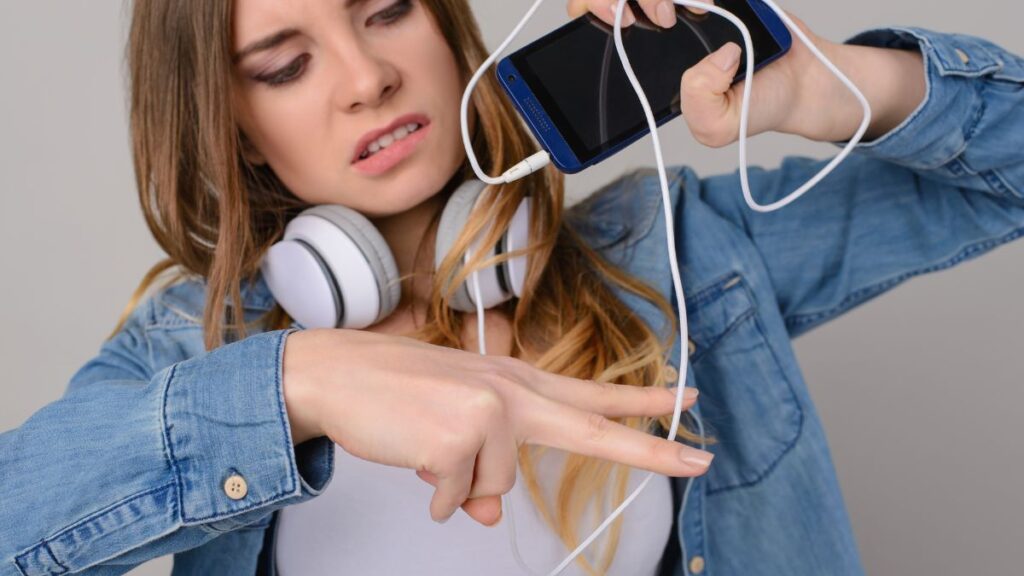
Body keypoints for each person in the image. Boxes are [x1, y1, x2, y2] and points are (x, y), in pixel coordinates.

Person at [2, 0, 1022, 574]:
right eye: (284, 65)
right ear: (232, 126)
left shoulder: (677, 254)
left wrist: (822, 83)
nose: (367, 79)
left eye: (388, 10)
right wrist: (292, 385)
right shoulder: (190, 346)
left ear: (448, 31)